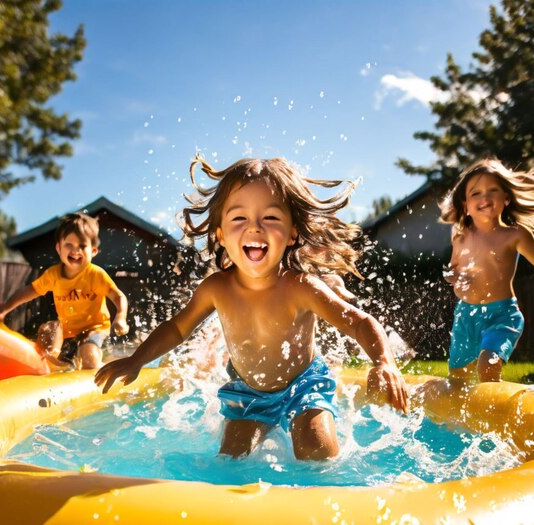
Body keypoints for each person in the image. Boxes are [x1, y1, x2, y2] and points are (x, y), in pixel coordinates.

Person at [96, 156, 408, 460]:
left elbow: (357, 322)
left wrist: (384, 362)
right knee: (231, 460)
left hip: (304, 385)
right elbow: (178, 328)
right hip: (248, 392)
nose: (254, 228)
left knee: (317, 451)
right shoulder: (217, 289)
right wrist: (135, 360)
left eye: (270, 218)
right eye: (239, 218)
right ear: (220, 233)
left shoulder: (301, 287)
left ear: (292, 233)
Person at [0, 212, 129, 370]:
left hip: (95, 327)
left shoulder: (95, 275)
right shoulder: (53, 275)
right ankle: (79, 364)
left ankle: (112, 366)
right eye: (69, 245)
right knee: (54, 346)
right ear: (58, 248)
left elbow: (118, 296)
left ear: (94, 251)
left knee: (89, 359)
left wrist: (120, 317)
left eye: (82, 246)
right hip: (69, 331)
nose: (75, 251)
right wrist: (5, 307)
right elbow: (29, 291)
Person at [440, 158, 534, 382]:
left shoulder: (514, 235)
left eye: (492, 190)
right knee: (457, 381)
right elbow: (454, 268)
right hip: (466, 316)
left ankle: (502, 410)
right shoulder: (461, 237)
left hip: (502, 315)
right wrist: (453, 276)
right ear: (465, 204)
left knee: (487, 366)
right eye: (476, 193)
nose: (484, 197)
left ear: (506, 198)